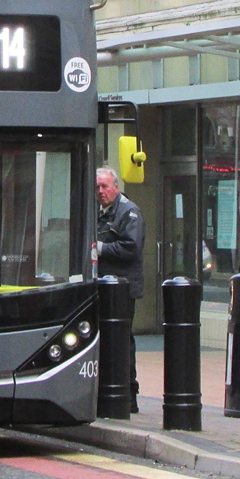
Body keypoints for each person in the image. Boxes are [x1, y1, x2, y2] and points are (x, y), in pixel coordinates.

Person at [96, 166, 146, 413]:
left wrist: (101, 249)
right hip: (103, 287)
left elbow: (131, 248)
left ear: (116, 186)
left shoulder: (129, 212)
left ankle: (128, 394)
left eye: (105, 186)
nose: (100, 191)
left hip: (122, 289)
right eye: (97, 187)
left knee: (123, 341)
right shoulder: (100, 212)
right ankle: (107, 390)